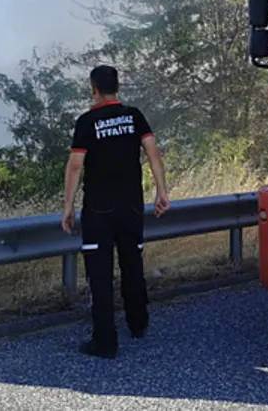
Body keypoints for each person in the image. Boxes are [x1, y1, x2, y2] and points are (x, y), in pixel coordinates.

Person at [62, 64, 170, 359]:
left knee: (99, 273)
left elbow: (75, 166)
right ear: (117, 87)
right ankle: (138, 323)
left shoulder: (87, 121)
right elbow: (153, 152)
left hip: (99, 208)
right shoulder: (134, 116)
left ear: (93, 89)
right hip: (132, 205)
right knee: (132, 263)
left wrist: (68, 206)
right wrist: (162, 192)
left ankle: (105, 341)